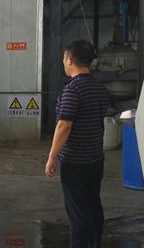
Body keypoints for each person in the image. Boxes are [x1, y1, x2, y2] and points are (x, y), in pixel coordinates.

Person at [45, 40, 110, 248]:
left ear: (70, 61)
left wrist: (52, 156)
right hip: (95, 159)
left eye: (64, 58)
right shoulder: (99, 88)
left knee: (78, 213)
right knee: (93, 206)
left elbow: (64, 125)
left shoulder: (73, 90)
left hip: (75, 162)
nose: (63, 62)